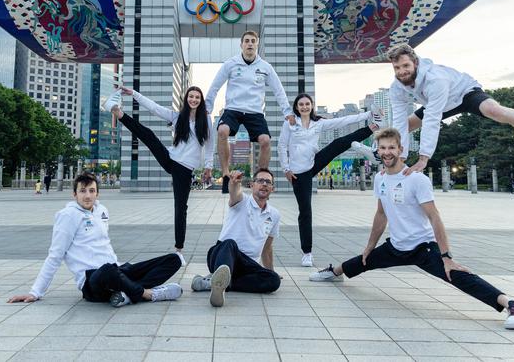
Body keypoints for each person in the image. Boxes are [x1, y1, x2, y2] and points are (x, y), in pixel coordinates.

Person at [309, 128, 514, 330]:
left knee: (456, 276)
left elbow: (435, 217)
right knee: (364, 260)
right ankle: (334, 272)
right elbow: (381, 213)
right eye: (383, 147)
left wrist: (446, 256)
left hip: (423, 247)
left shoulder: (417, 179)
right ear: (378, 150)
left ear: (400, 149)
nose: (387, 152)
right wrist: (369, 246)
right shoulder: (380, 178)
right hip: (396, 246)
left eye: (391, 148)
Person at [383, 44, 514, 175]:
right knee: (403, 126)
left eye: (405, 66)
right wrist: (400, 159)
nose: (401, 72)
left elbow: (432, 120)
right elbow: (399, 123)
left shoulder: (435, 80)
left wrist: (423, 159)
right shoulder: (397, 87)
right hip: (439, 103)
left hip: (464, 93)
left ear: (415, 63)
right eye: (397, 68)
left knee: (495, 111)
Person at [8, 173, 183, 307]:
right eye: (82, 191)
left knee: (174, 259)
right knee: (108, 271)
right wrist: (35, 292)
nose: (87, 196)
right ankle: (148, 294)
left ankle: (126, 294)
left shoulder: (101, 211)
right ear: (74, 194)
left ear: (97, 193)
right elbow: (55, 256)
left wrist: (121, 269)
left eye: (91, 191)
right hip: (92, 281)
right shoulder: (68, 216)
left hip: (116, 270)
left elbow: (104, 244)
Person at [104, 85, 213, 265]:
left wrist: (208, 167)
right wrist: (134, 93)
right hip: (170, 158)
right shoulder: (179, 117)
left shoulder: (206, 121)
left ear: (200, 101)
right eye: (191, 97)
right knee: (148, 135)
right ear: (186, 99)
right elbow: (154, 107)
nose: (193, 100)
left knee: (180, 208)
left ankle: (179, 250)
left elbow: (210, 145)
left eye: (197, 98)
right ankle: (118, 112)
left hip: (184, 169)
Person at [278, 93, 386, 267]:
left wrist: (367, 116)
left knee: (338, 143)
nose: (304, 107)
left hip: (313, 163)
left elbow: (342, 121)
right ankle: (307, 253)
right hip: (298, 173)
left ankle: (373, 127)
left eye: (307, 104)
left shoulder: (318, 123)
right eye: (301, 104)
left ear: (311, 106)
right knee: (305, 211)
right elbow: (282, 146)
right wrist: (286, 169)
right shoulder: (290, 124)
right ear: (296, 107)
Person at [205, 30, 295, 193]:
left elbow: (278, 90)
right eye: (247, 41)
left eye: (253, 41)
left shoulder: (265, 67)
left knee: (266, 141)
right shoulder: (230, 64)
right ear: (241, 45)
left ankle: (261, 177)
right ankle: (226, 173)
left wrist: (287, 111)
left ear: (257, 45)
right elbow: (215, 86)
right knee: (222, 130)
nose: (250, 44)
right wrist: (207, 107)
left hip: (254, 112)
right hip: (233, 108)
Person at [190, 169, 281, 307]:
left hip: (247, 265)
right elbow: (234, 192)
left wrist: (269, 271)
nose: (264, 184)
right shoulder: (242, 200)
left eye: (268, 182)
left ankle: (215, 283)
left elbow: (267, 248)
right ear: (251, 185)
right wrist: (234, 183)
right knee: (230, 243)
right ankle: (220, 280)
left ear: (272, 188)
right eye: (260, 181)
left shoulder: (274, 215)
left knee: (273, 280)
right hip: (223, 254)